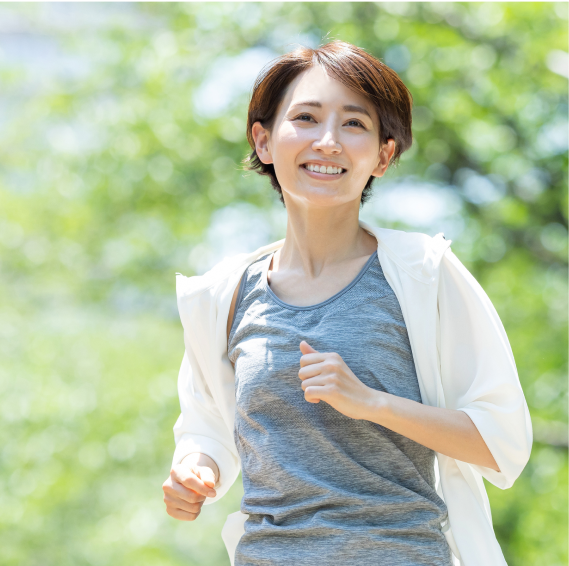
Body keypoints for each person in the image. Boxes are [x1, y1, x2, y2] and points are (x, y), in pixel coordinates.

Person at [161, 40, 532, 566]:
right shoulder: (224, 295)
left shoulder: (422, 273)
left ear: (383, 154)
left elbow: (502, 442)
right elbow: (208, 427)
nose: (328, 141)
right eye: (306, 118)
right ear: (264, 141)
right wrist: (195, 470)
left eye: (354, 124)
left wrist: (372, 402)